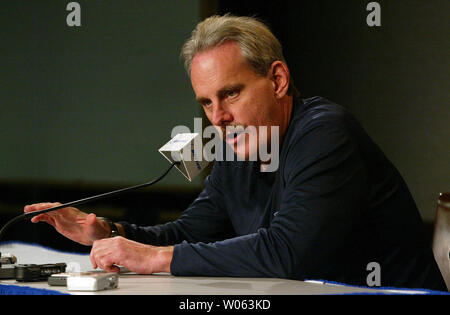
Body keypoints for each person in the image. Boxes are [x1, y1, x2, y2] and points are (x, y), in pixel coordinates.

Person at [24, 15, 446, 290]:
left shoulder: (326, 133)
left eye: (231, 93)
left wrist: (155, 258)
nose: (218, 117)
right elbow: (189, 234)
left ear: (277, 80)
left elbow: (288, 252)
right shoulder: (236, 148)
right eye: (206, 103)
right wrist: (109, 233)